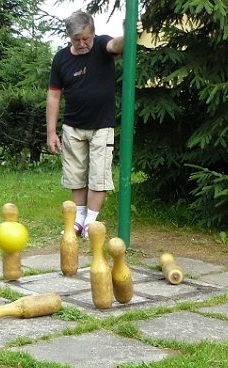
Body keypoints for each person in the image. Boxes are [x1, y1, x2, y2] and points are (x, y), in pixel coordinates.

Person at [46, 11, 141, 238]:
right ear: (69, 37)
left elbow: (117, 45)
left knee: (99, 175)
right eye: (76, 40)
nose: (82, 44)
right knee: (75, 175)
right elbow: (54, 96)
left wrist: (129, 32)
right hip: (72, 126)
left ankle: (91, 221)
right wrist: (51, 132)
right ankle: (78, 220)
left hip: (101, 126)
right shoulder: (61, 59)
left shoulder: (101, 45)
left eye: (86, 38)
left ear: (93, 33)